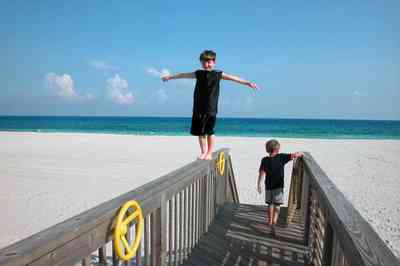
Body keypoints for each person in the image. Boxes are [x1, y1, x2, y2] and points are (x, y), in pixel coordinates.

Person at [162, 50, 258, 160]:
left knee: (209, 131)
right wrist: (170, 77)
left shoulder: (218, 74)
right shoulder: (199, 73)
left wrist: (247, 83)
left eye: (209, 62)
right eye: (204, 62)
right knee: (200, 132)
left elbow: (234, 78)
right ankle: (203, 152)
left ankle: (209, 152)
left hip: (211, 108)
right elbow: (183, 75)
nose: (206, 64)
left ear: (214, 62)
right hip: (198, 107)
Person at [256, 139, 303, 233]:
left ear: (267, 149)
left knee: (269, 204)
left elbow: (262, 173)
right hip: (278, 186)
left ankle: (270, 221)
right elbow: (294, 155)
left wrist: (259, 184)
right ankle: (274, 222)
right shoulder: (281, 157)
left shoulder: (264, 160)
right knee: (277, 205)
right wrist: (301, 153)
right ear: (278, 149)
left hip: (268, 186)